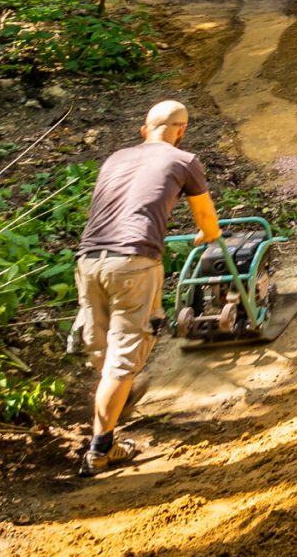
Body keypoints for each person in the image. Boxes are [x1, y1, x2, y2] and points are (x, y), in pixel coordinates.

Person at [72, 100, 218, 476]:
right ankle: (101, 450)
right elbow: (207, 222)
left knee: (100, 345)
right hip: (134, 262)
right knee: (124, 359)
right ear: (182, 131)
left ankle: (117, 399)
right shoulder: (184, 161)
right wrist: (206, 235)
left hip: (89, 260)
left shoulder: (115, 159)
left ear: (143, 130)